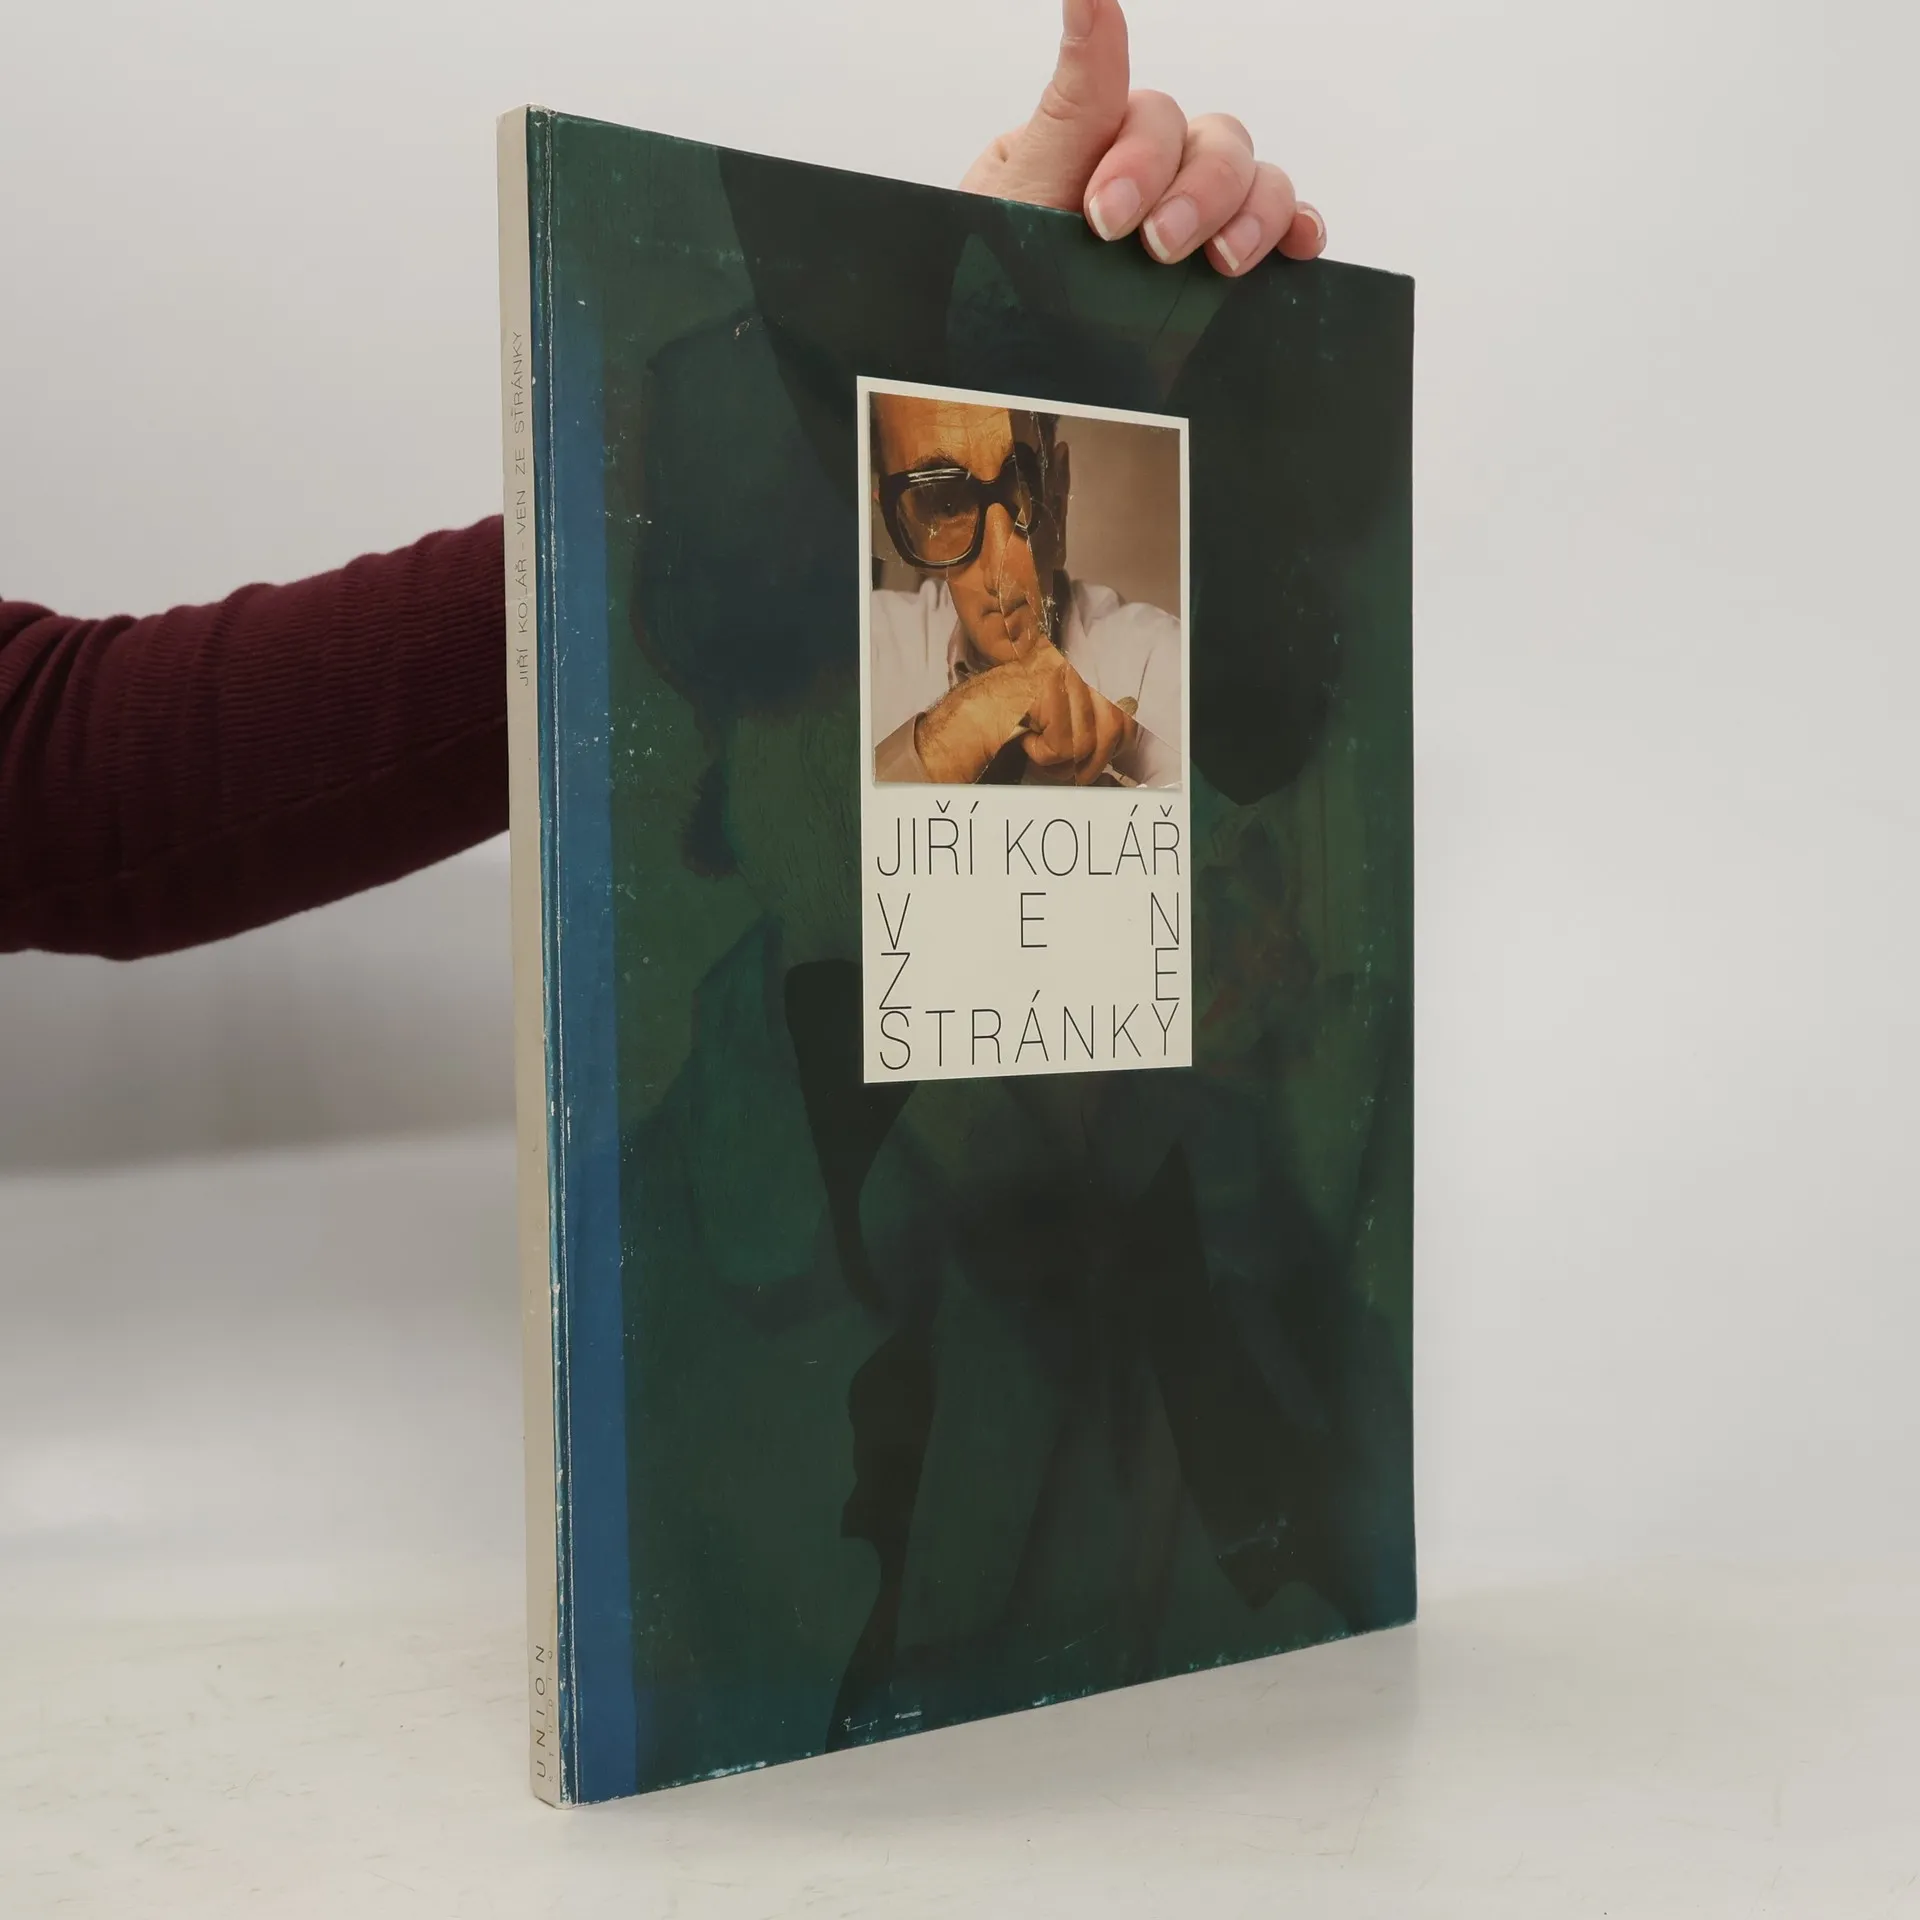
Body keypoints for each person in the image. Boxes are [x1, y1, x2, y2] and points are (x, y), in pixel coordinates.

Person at [0, 0, 1324, 958]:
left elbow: (59, 764)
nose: (1006, 558)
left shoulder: (1148, 657)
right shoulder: (835, 684)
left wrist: (913, 350)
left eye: (1023, 500)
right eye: (943, 506)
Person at [868, 395, 1181, 788]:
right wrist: (954, 735)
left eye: (1022, 486)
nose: (1002, 572)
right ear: (902, 525)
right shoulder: (865, 646)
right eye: (946, 505)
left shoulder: (1166, 661)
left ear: (1058, 497)